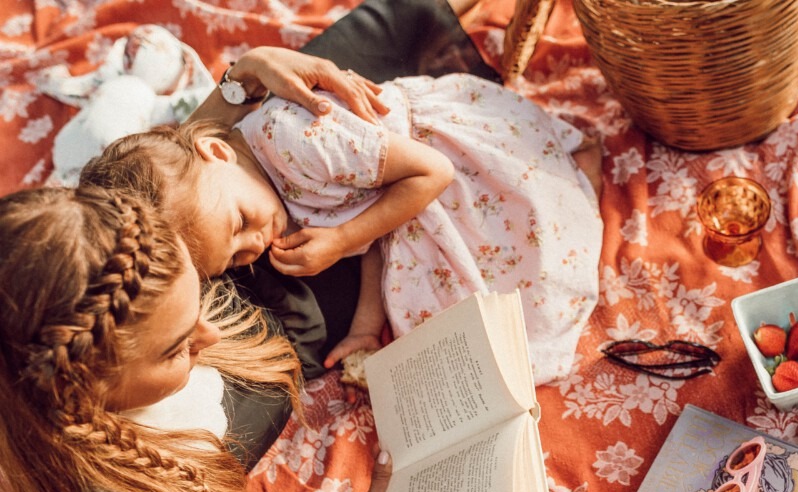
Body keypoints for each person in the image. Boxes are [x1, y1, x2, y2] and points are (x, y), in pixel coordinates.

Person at [0, 185, 393, 492]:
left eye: (199, 295)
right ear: (85, 393)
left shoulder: (120, 267)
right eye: (175, 347)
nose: (210, 332)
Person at [80, 72, 604, 384]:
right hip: (401, 199)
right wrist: (361, 329)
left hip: (442, 161)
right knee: (450, 328)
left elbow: (432, 174)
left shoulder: (295, 139)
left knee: (537, 243)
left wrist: (341, 240)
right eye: (237, 258)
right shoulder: (252, 193)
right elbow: (376, 230)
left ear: (217, 151)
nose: (255, 244)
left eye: (239, 225)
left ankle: (581, 173)